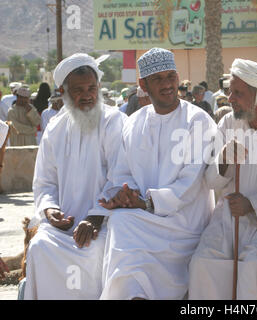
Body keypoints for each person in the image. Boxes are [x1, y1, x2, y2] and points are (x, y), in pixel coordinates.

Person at [96, 47, 216, 300]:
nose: (167, 84)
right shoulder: (133, 122)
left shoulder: (198, 120)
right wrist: (124, 195)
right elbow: (121, 172)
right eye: (158, 79)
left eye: (171, 76)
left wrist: (147, 201)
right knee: (120, 222)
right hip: (144, 216)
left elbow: (191, 182)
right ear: (143, 84)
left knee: (125, 228)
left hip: (184, 221)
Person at [188, 58, 257, 300]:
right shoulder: (229, 122)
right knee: (202, 262)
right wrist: (224, 158)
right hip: (228, 216)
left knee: (251, 267)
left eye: (237, 93)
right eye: (230, 91)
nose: (229, 99)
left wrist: (252, 205)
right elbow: (210, 181)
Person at [24, 53, 126, 300]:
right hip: (64, 225)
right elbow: (45, 182)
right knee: (39, 247)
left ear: (99, 87)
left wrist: (95, 218)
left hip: (105, 221)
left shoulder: (114, 121)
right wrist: (50, 210)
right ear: (64, 91)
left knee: (95, 251)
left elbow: (121, 176)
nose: (88, 95)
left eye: (92, 88)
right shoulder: (55, 129)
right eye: (78, 90)